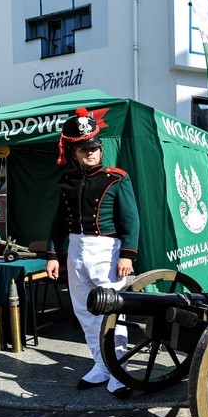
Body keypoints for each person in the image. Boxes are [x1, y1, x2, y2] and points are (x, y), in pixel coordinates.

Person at [45, 107, 140, 400]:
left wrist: (127, 254)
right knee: (85, 311)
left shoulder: (116, 178)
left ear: (100, 149)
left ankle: (119, 370)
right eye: (84, 148)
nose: (90, 153)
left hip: (106, 249)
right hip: (76, 249)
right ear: (74, 151)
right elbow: (59, 220)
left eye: (94, 148)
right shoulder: (67, 182)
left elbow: (131, 219)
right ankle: (100, 365)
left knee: (113, 311)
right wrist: (52, 254)